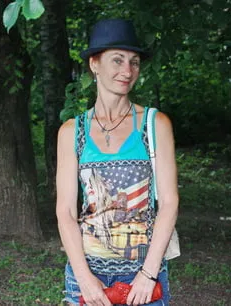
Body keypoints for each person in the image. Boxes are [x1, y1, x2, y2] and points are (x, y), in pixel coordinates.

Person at [56, 18, 179, 306]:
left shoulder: (154, 124)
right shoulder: (72, 132)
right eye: (118, 60)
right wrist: (84, 278)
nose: (127, 71)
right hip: (87, 275)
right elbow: (64, 211)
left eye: (134, 62)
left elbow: (170, 203)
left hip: (143, 277)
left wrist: (148, 275)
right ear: (94, 64)